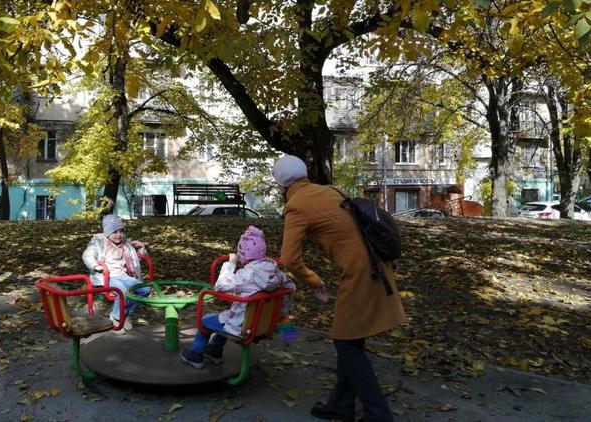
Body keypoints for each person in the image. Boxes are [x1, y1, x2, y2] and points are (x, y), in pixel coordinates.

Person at [273, 155, 406, 422]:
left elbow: (289, 258)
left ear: (281, 185)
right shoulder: (330, 190)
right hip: (378, 265)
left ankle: (379, 415)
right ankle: (340, 406)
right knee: (350, 340)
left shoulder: (296, 205)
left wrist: (313, 280)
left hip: (360, 275)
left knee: (346, 343)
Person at [179, 225, 295, 369]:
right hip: (261, 325)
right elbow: (290, 288)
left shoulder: (246, 275)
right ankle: (215, 350)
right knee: (224, 317)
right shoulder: (276, 272)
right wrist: (281, 314)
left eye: (239, 255)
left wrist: (230, 264)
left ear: (243, 256)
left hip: (242, 326)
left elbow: (220, 286)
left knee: (205, 321)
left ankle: (196, 355)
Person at [82, 214, 151, 334]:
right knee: (122, 291)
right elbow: (87, 255)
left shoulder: (125, 244)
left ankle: (126, 313)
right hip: (107, 276)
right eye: (115, 232)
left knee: (145, 289)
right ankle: (116, 318)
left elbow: (135, 261)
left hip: (124, 276)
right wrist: (95, 266)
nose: (119, 235)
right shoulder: (98, 242)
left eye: (121, 231)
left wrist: (140, 249)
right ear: (107, 232)